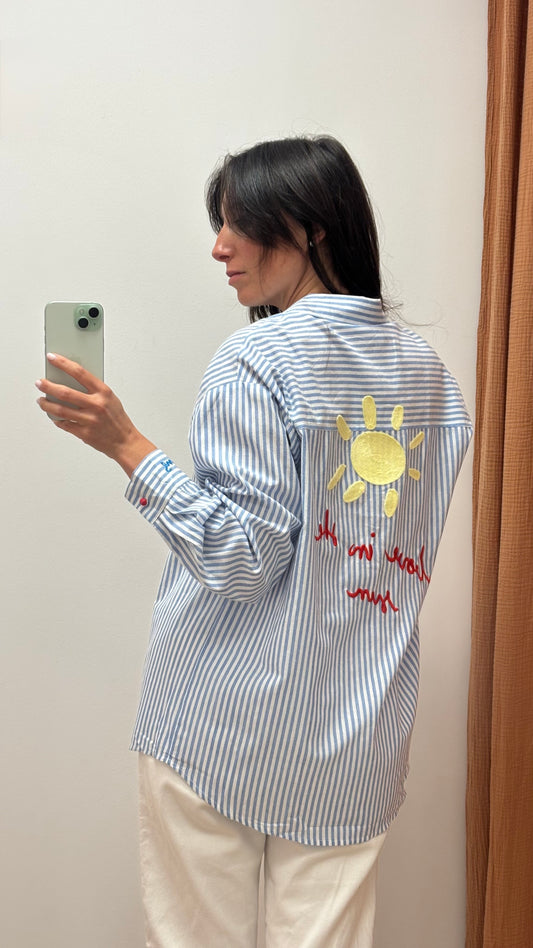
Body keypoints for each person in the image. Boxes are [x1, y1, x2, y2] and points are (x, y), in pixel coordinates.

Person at [36, 136, 472, 947]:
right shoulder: (431, 380)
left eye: (238, 223)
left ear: (307, 227)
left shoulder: (258, 357)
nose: (219, 246)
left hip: (222, 729)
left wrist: (126, 445)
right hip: (356, 735)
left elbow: (240, 559)